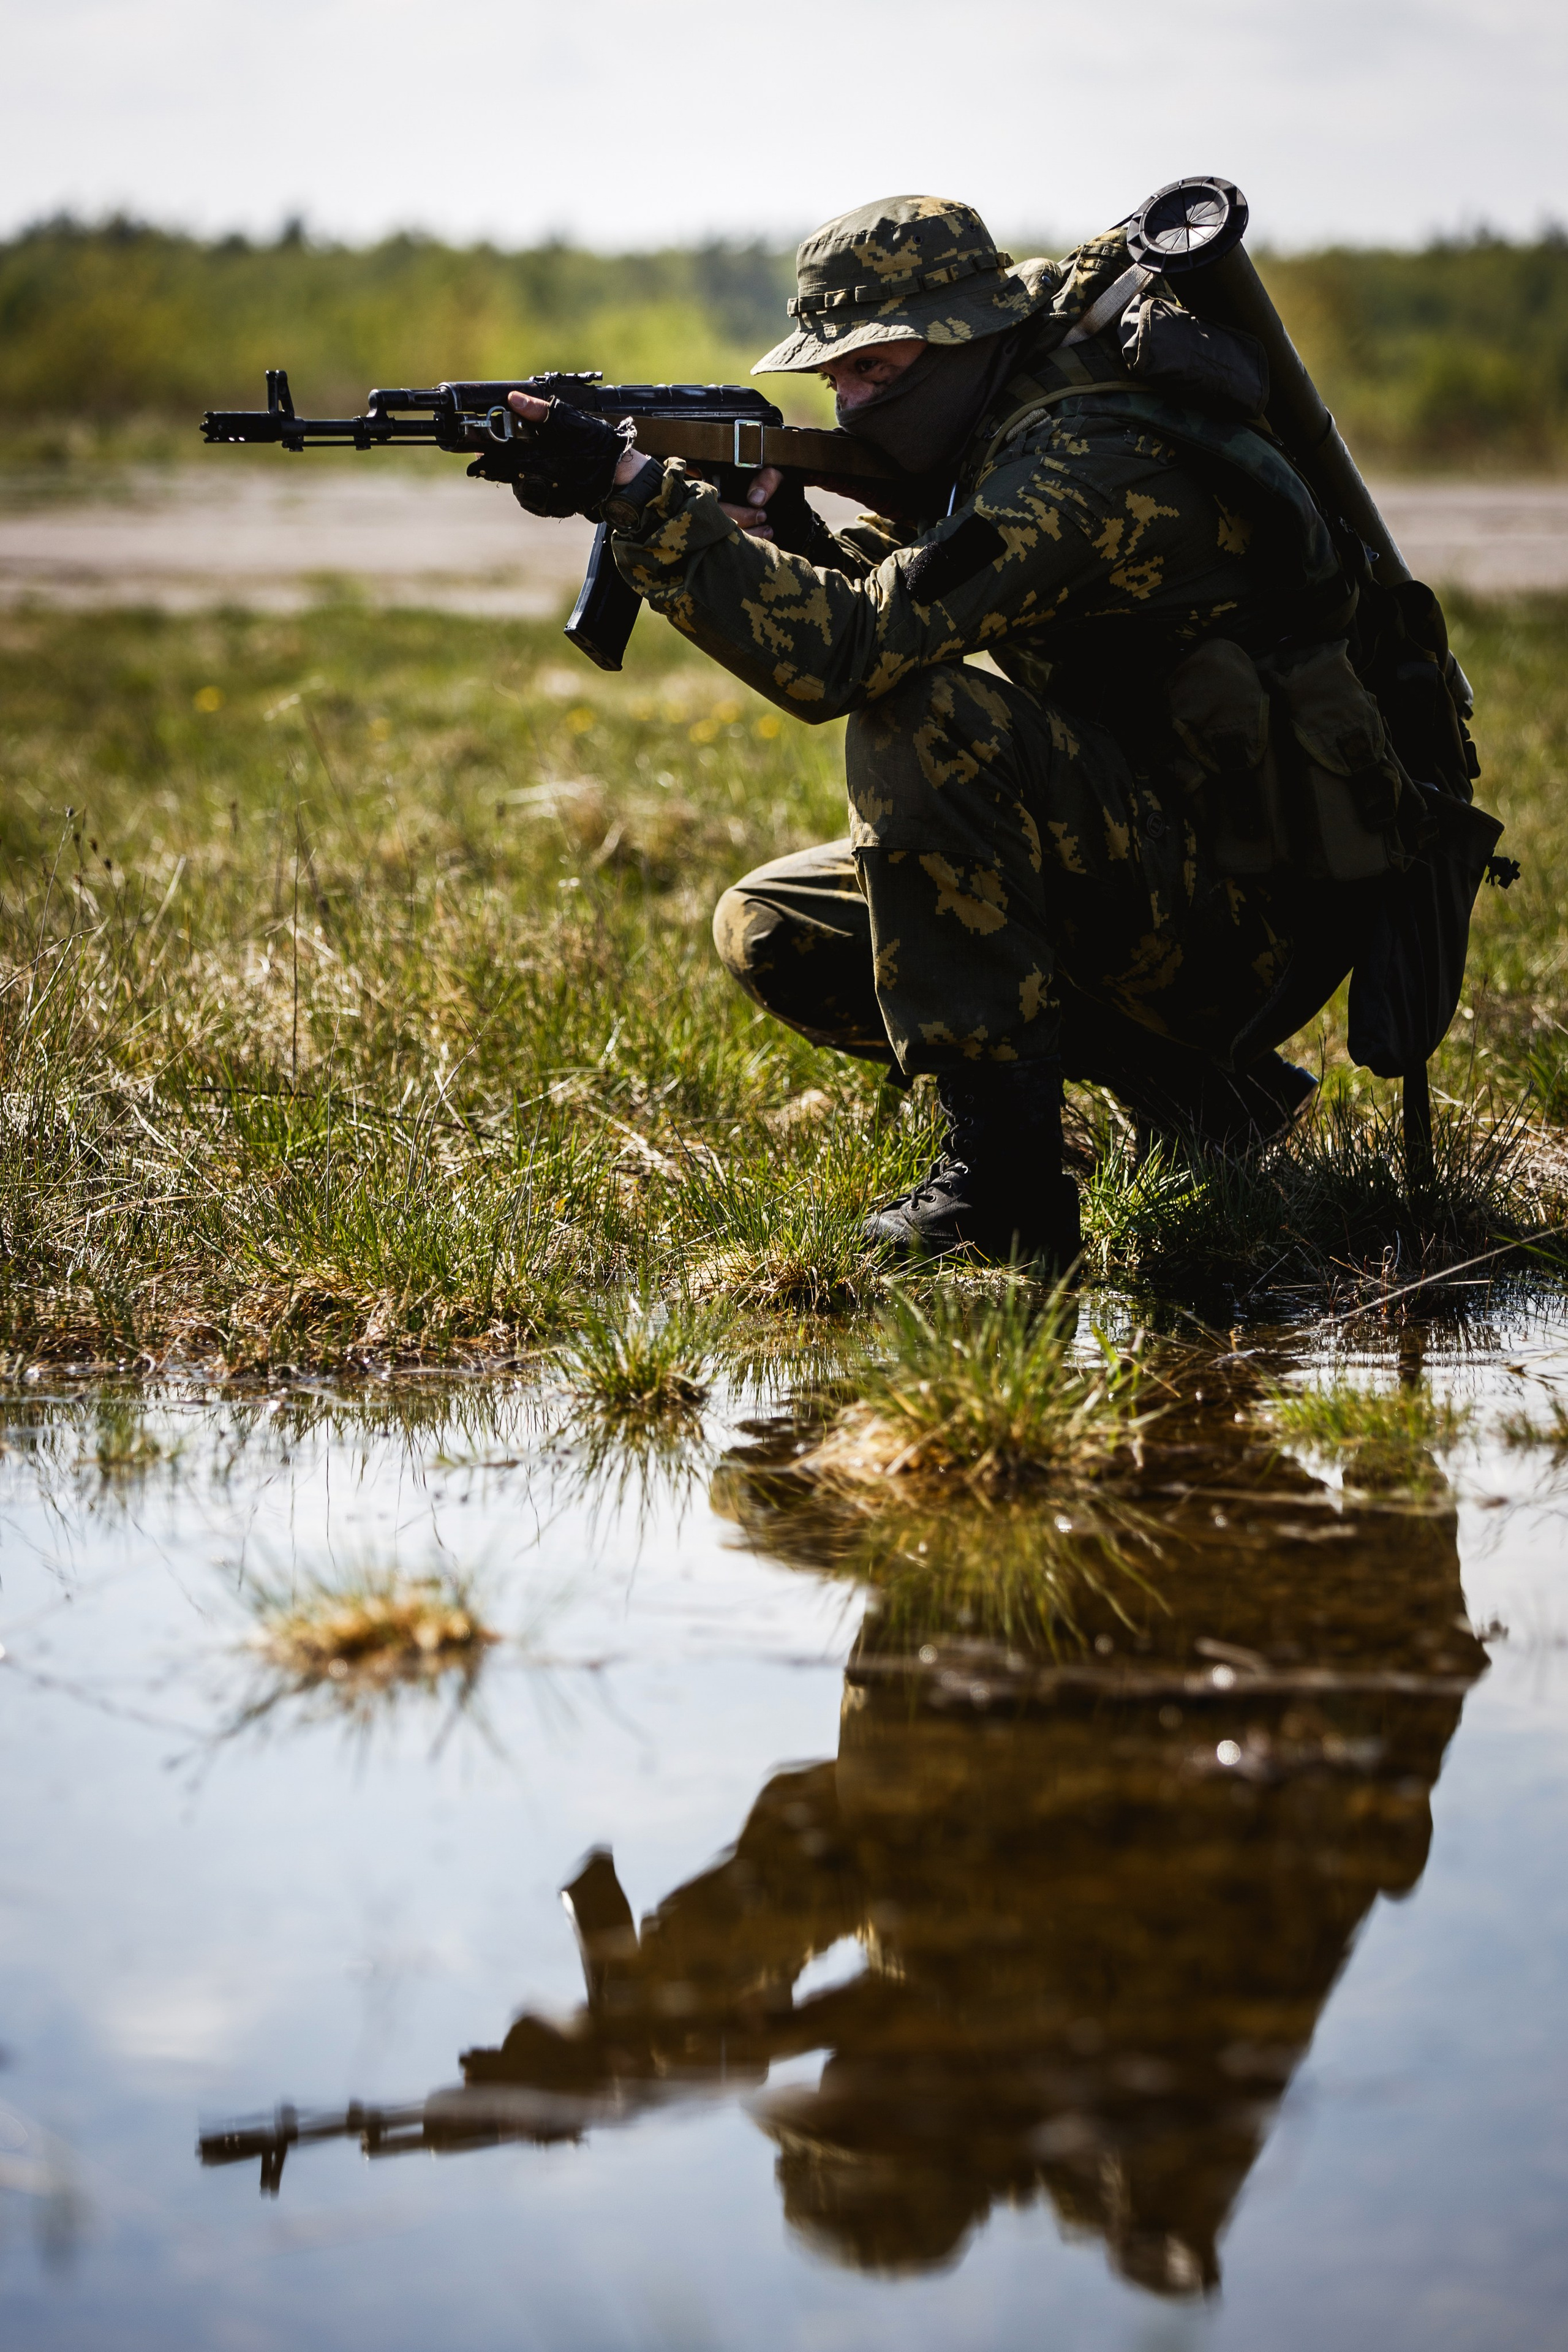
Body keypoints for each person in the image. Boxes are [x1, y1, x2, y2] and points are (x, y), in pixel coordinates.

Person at [502, 195, 1354, 1265]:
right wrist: (794, 534)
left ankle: (1003, 1191)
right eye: (835, 377)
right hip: (1153, 862)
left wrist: (638, 498)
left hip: (1256, 920)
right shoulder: (1006, 420)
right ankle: (1198, 1094)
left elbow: (852, 657)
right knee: (775, 927)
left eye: (878, 371)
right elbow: (919, 606)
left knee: (927, 722)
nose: (851, 405)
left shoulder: (1082, 461)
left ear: (966, 338)